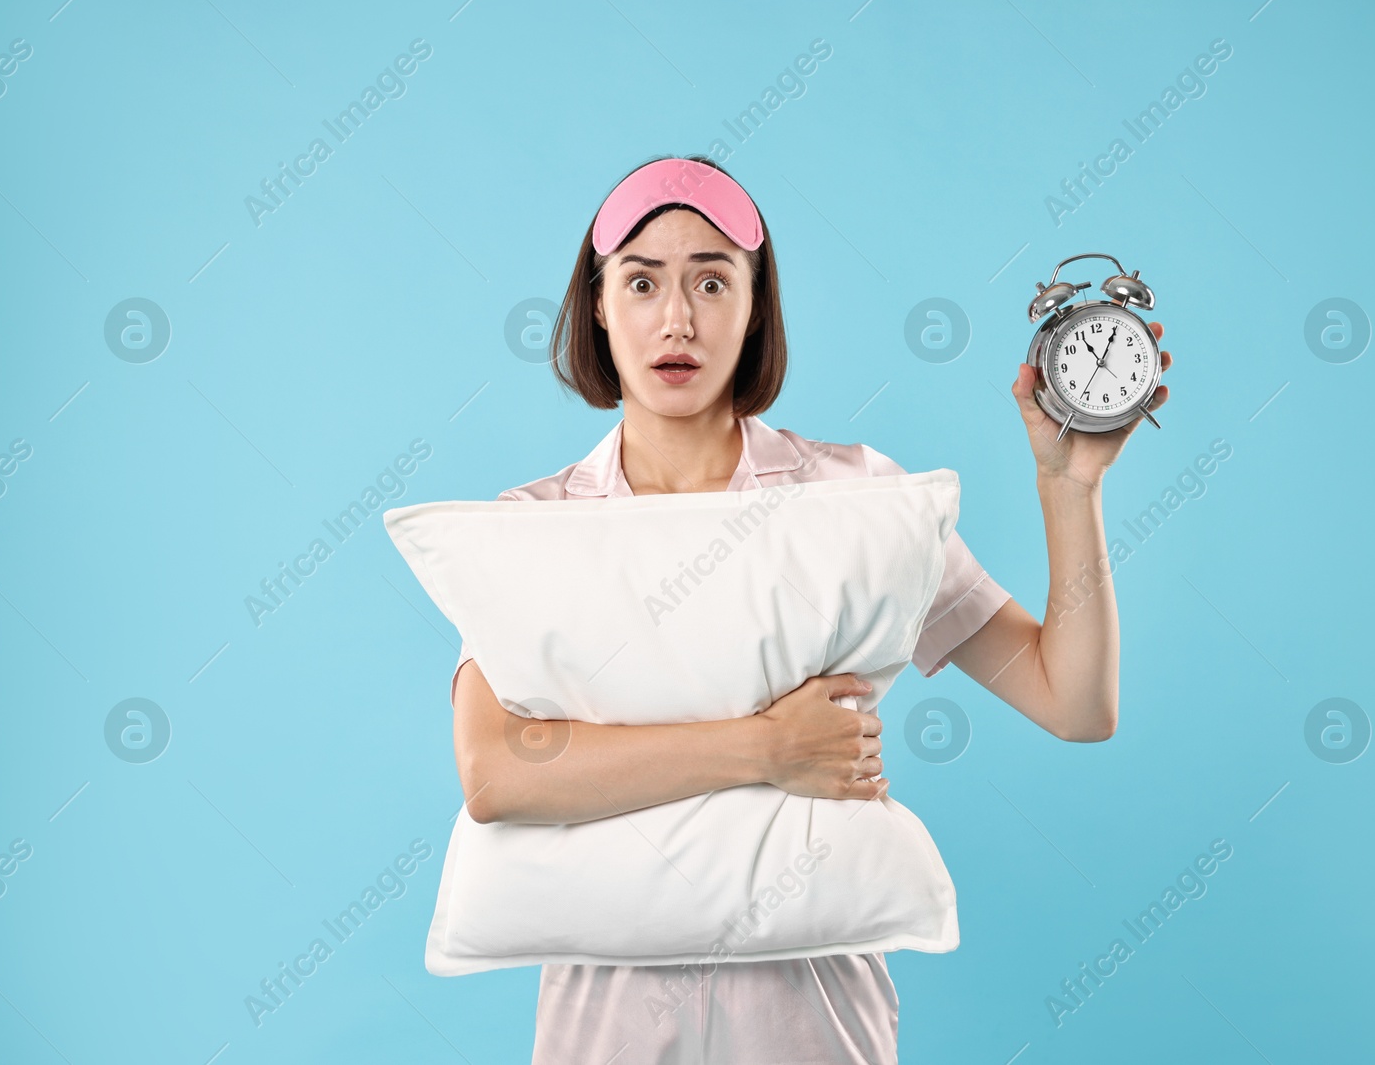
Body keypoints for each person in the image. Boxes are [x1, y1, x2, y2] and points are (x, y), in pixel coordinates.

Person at [449, 155, 1173, 1064]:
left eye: (713, 280)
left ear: (756, 305)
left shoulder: (857, 501)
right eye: (642, 282)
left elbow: (1073, 701)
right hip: (608, 1038)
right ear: (598, 305)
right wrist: (766, 748)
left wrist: (1069, 490)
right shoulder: (536, 528)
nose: (677, 318)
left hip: (816, 1033)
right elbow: (497, 772)